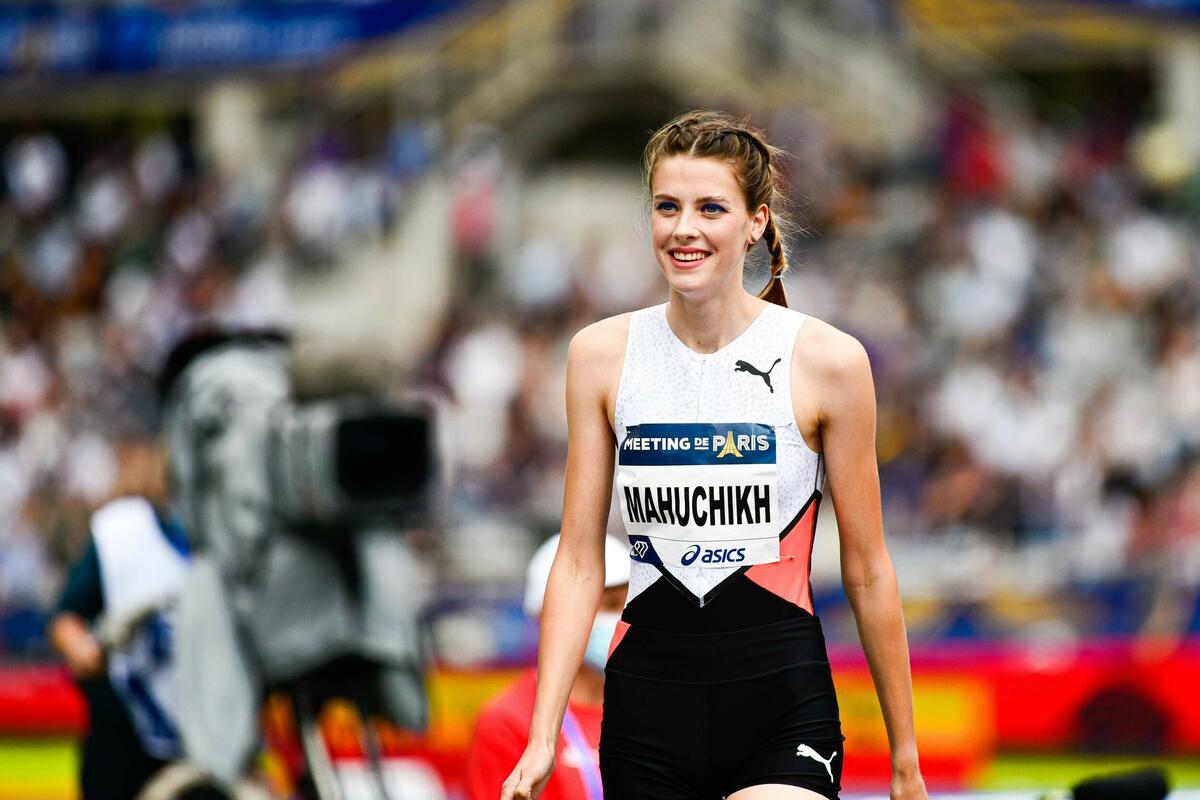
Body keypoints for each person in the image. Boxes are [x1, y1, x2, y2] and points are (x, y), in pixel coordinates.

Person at [501, 110, 927, 800]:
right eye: (667, 207)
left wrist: (905, 755)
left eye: (710, 208)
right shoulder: (600, 356)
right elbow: (579, 559)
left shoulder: (829, 362)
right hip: (647, 711)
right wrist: (543, 732)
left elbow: (869, 567)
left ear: (756, 222)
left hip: (781, 705)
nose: (684, 228)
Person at [49, 442, 191, 800]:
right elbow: (67, 615)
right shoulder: (124, 534)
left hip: (210, 730)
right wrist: (84, 649)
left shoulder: (238, 537)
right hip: (124, 724)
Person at [468, 533, 629, 800]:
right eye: (609, 604)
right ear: (548, 616)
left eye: (627, 604)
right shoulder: (507, 722)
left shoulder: (650, 706)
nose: (620, 617)